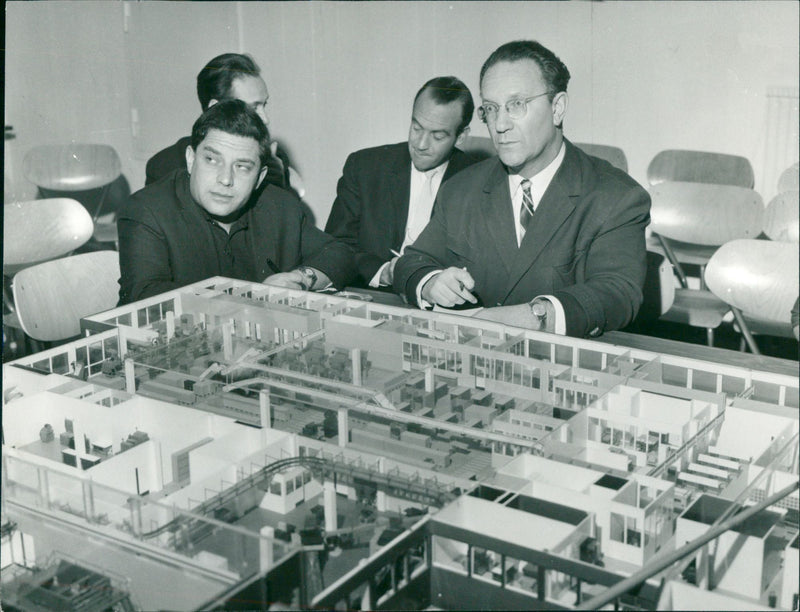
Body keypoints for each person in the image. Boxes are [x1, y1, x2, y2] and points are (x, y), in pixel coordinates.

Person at [393, 40, 651, 338]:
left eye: (516, 105)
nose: (500, 124)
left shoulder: (616, 196)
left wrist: (534, 316)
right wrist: (431, 282)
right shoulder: (461, 188)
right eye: (491, 109)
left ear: (557, 108)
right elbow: (412, 262)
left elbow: (617, 294)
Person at [117, 100, 355, 305]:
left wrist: (300, 278)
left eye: (242, 167)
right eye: (212, 160)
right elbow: (145, 295)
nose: (225, 179)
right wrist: (253, 297)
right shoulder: (146, 210)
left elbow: (339, 253)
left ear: (259, 177)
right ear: (191, 159)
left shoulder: (281, 205)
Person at [324, 76, 478, 290]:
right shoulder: (364, 167)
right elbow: (335, 247)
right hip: (374, 292)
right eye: (416, 128)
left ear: (460, 137)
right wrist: (384, 272)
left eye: (437, 136)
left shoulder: (478, 180)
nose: (421, 144)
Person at [145, 53, 289, 190]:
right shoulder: (165, 166)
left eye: (264, 105)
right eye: (253, 108)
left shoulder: (273, 160)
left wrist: (278, 182)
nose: (265, 119)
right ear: (215, 108)